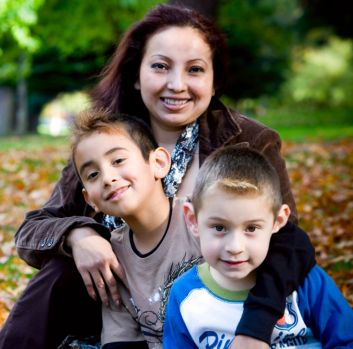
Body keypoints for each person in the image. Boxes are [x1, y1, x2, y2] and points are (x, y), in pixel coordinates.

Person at [0, 4, 315, 349]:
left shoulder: (250, 141)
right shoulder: (108, 142)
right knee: (59, 272)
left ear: (214, 82)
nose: (177, 84)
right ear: (136, 75)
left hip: (224, 311)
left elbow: (286, 243)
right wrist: (78, 235)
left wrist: (253, 329)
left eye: (195, 70)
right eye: (160, 66)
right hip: (120, 315)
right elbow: (34, 229)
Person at [163, 146, 353, 349]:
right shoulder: (185, 296)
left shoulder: (305, 281)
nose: (235, 247)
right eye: (219, 227)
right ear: (192, 220)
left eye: (251, 228)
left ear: (278, 221)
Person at [71, 109, 201, 348]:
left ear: (159, 163)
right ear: (90, 199)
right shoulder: (113, 257)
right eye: (93, 174)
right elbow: (121, 340)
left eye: (118, 160)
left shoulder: (201, 221)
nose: (108, 178)